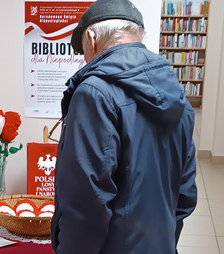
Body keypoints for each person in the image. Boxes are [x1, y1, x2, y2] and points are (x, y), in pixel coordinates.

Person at [51, 0, 197, 253]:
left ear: (91, 38)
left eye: (83, 50)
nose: (85, 59)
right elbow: (185, 193)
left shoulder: (94, 93)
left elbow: (86, 201)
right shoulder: (176, 95)